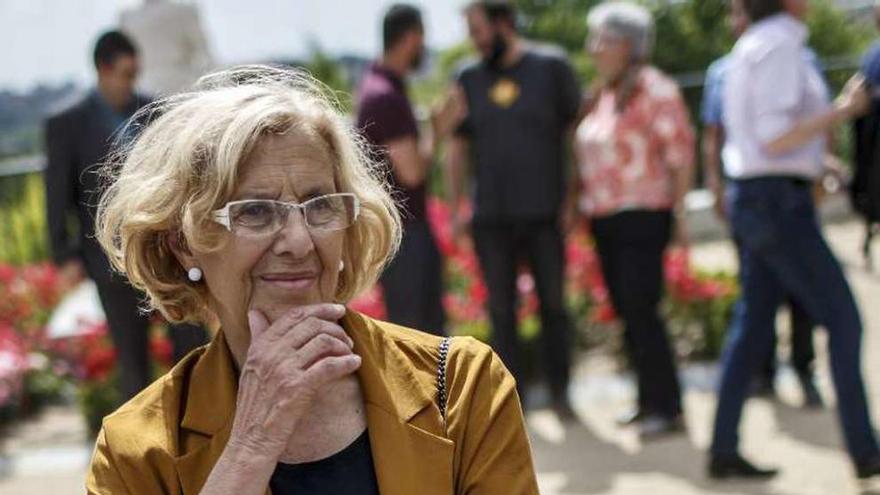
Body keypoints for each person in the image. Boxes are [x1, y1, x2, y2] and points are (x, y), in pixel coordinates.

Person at [85, 65, 539, 494]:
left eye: (320, 206)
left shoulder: (459, 388)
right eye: (256, 212)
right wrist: (250, 447)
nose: (300, 242)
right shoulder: (134, 452)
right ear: (183, 242)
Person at [708, 0, 880, 480]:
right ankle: (866, 451)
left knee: (752, 326)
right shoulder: (780, 43)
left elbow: (760, 139)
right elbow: (774, 136)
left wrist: (818, 161)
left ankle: (723, 446)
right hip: (777, 202)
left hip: (759, 196)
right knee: (844, 320)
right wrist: (846, 110)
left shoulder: (754, 43)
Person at [44, 30, 207, 402]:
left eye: (136, 74)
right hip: (109, 263)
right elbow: (58, 194)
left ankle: (200, 428)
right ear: (103, 68)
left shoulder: (153, 111)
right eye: (126, 73)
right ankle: (141, 452)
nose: (133, 82)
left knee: (192, 347)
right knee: (133, 363)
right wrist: (64, 255)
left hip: (168, 256)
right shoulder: (67, 123)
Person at [445, 0, 581, 418]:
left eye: (479, 29)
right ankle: (512, 402)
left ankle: (561, 394)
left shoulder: (552, 67)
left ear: (504, 23)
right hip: (492, 219)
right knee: (501, 312)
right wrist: (455, 210)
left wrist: (573, 199)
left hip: (544, 212)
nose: (475, 40)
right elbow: (456, 147)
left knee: (554, 307)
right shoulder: (467, 76)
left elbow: (574, 137)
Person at [572, 1, 693, 437]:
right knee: (627, 310)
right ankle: (647, 401)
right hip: (607, 220)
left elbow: (680, 155)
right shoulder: (605, 94)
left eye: (600, 39)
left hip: (644, 215)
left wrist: (679, 214)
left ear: (627, 44)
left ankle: (669, 407)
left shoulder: (656, 89)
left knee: (643, 308)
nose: (592, 49)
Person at [700, 0, 822, 409]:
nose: (737, 19)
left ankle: (800, 373)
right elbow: (723, 135)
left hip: (766, 194)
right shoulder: (749, 58)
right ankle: (765, 376)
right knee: (836, 317)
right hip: (768, 197)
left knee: (764, 307)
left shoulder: (796, 55)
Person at [356, 4, 459, 335]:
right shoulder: (386, 96)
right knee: (420, 337)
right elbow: (412, 172)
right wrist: (438, 130)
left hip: (400, 235)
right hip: (406, 236)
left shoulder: (378, 86)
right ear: (412, 37)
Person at [120, 0, 214, 96]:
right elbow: (205, 55)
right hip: (178, 90)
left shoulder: (128, 18)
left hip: (152, 90)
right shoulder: (185, 10)